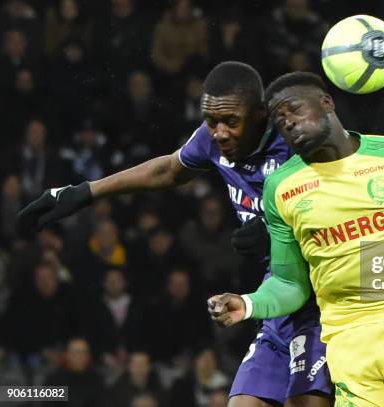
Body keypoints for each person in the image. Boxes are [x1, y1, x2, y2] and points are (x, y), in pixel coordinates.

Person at [18, 62, 333, 407]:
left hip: (325, 297)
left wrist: (282, 231)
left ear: (259, 114)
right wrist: (86, 192)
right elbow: (169, 170)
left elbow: (348, 221)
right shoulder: (214, 138)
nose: (220, 133)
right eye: (211, 121)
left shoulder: (297, 143)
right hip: (279, 294)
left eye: (231, 122)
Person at [209, 72, 384, 406]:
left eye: (295, 110)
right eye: (281, 121)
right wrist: (249, 303)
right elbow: (290, 284)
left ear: (326, 102)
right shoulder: (281, 188)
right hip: (348, 351)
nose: (290, 124)